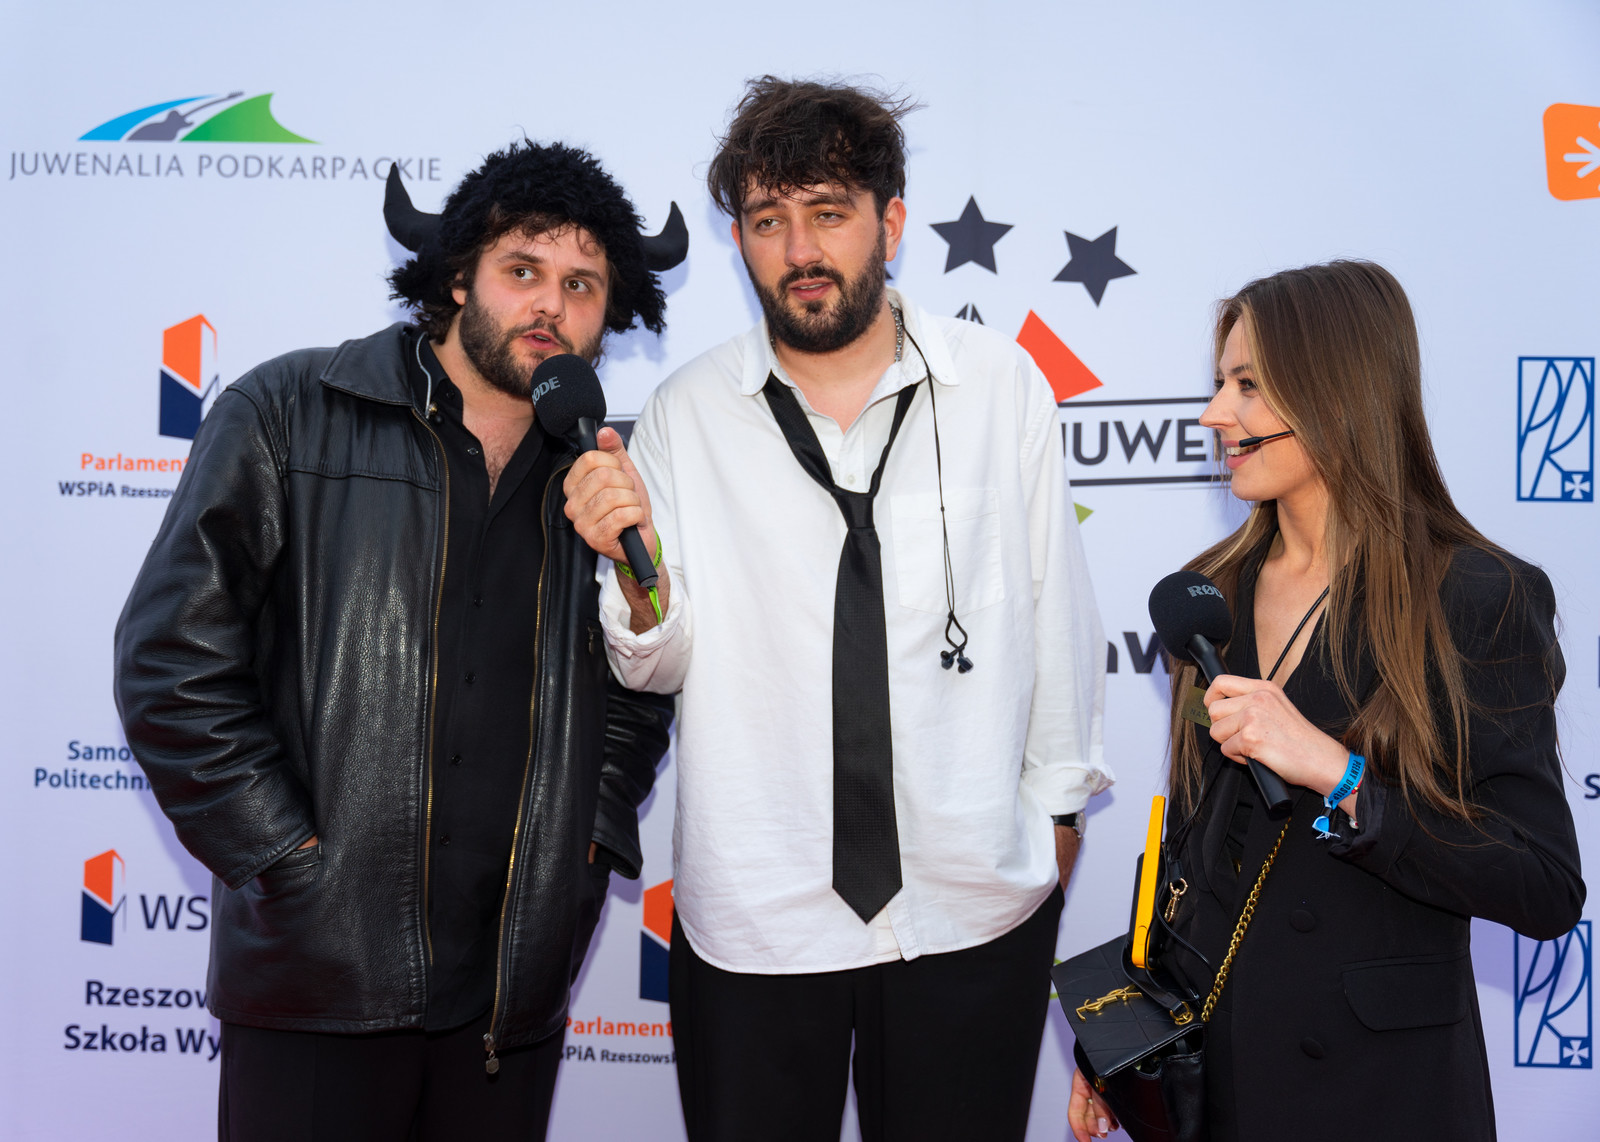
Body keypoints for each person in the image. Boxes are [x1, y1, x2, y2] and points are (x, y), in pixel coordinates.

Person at [564, 77, 1110, 1141]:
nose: (800, 249)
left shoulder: (1000, 387)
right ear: (738, 241)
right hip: (757, 920)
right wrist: (632, 567)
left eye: (828, 212)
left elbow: (1056, 620)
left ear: (890, 224)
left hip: (972, 909)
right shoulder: (683, 414)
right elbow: (653, 661)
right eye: (769, 221)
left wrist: (1053, 833)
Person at [113, 141, 687, 1141]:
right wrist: (287, 859)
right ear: (459, 275)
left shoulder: (611, 477)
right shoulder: (289, 411)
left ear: (612, 309)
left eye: (581, 284)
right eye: (522, 270)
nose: (550, 306)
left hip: (509, 989)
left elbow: (638, 689)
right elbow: (172, 660)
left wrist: (585, 849)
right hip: (317, 975)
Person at [1068, 260, 1585, 1142]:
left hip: (1384, 1091)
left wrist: (1340, 775)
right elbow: (1190, 847)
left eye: (1247, 386)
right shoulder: (1209, 592)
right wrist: (1123, 1030)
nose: (1214, 414)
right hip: (1227, 1074)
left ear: (1336, 392)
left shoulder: (1474, 594)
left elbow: (1543, 887)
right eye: (1220, 383)